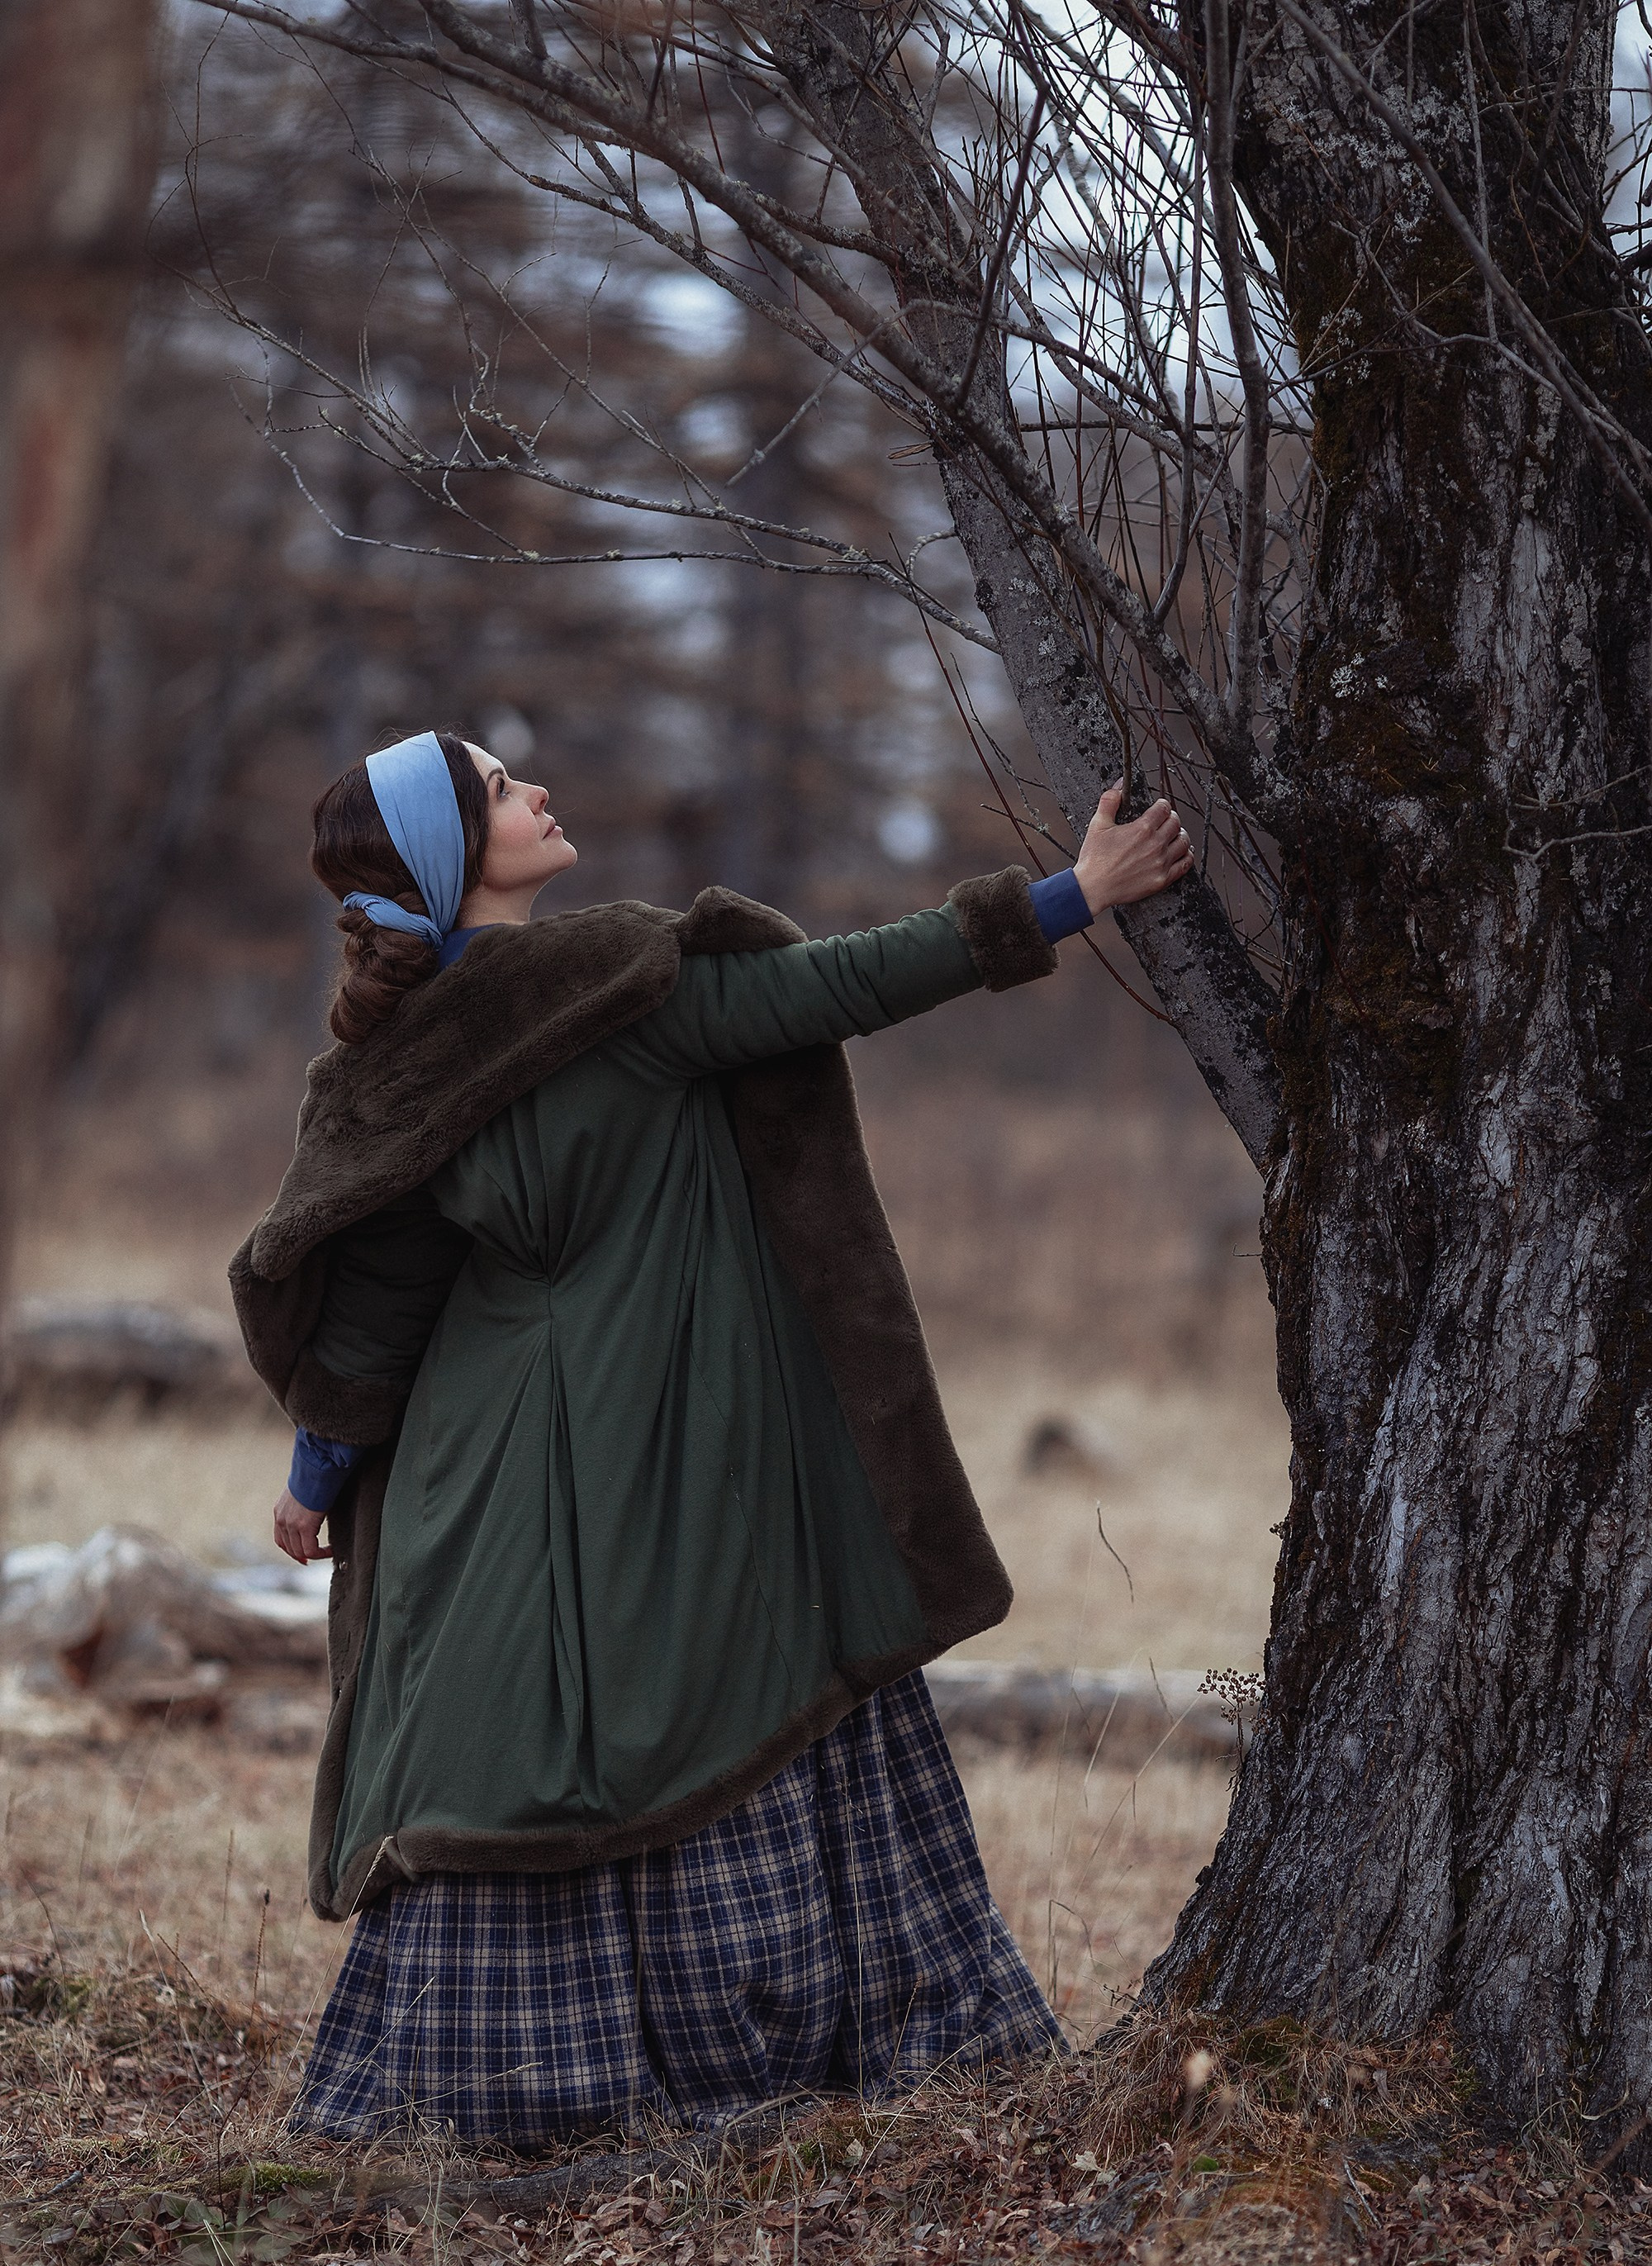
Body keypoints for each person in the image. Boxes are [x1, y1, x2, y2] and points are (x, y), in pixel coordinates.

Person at [231, 729, 1192, 2149]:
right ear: (452, 855)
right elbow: (851, 982)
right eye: (501, 789)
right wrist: (1069, 894)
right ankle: (738, 2057)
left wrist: (318, 1477)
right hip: (658, 1443)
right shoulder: (625, 989)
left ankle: (512, 2094)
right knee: (707, 1674)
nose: (540, 790)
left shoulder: (409, 1049)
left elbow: (377, 1312)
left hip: (480, 1471)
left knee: (513, 1728)